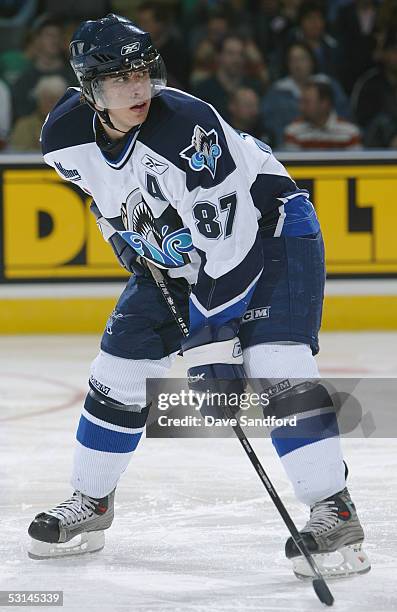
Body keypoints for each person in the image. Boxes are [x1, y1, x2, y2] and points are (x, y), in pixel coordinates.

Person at [27, 14, 370, 581]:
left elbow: (232, 251)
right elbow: (100, 193)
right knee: (117, 371)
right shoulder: (62, 136)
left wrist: (213, 347)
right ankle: (91, 502)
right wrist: (125, 237)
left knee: (273, 364)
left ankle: (334, 509)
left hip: (270, 232)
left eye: (142, 73)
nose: (137, 89)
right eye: (119, 80)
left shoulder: (188, 129)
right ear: (91, 90)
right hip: (180, 248)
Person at [283, 78, 362, 150]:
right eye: (301, 102)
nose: (301, 107)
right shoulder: (293, 132)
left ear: (324, 104)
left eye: (307, 102)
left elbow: (357, 165)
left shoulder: (350, 133)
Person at [10, 75, 67, 151]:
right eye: (46, 99)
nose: (51, 104)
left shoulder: (72, 124)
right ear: (38, 100)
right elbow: (18, 155)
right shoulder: (24, 125)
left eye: (55, 99)